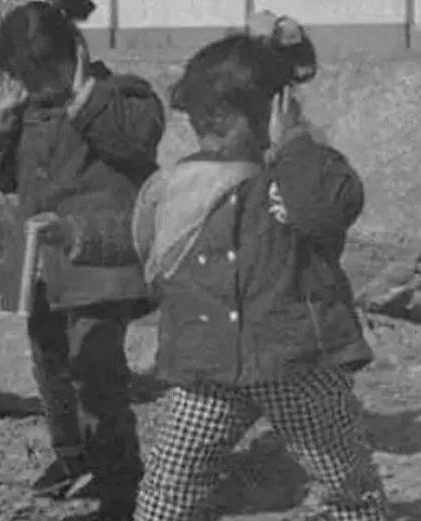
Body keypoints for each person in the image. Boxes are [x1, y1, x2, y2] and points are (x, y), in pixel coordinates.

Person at [130, 16, 389, 521]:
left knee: (345, 481)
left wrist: (293, 143)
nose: (209, 138)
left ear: (273, 110)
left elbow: (326, 211)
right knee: (168, 484)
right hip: (209, 367)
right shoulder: (186, 183)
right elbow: (142, 238)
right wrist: (76, 238)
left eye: (221, 123)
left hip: (295, 363)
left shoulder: (304, 171)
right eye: (201, 124)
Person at [0, 1, 165, 518]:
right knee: (49, 362)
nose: (32, 88)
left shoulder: (124, 95)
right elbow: (9, 180)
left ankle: (120, 480)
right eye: (22, 78)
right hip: (42, 267)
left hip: (100, 265)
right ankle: (72, 455)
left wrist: (87, 99)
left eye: (41, 76)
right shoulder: (28, 111)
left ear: (75, 55)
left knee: (96, 372)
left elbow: (139, 141)